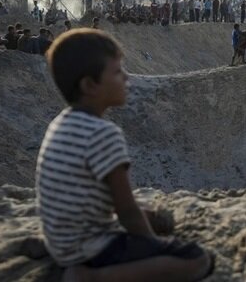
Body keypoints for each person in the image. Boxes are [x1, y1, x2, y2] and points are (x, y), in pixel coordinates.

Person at [36, 29, 213, 281]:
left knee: (156, 217)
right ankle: (91, 277)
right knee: (197, 259)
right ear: (89, 85)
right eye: (118, 71)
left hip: (60, 242)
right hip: (89, 249)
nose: (127, 77)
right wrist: (153, 248)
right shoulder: (103, 134)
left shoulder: (60, 124)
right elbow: (127, 210)